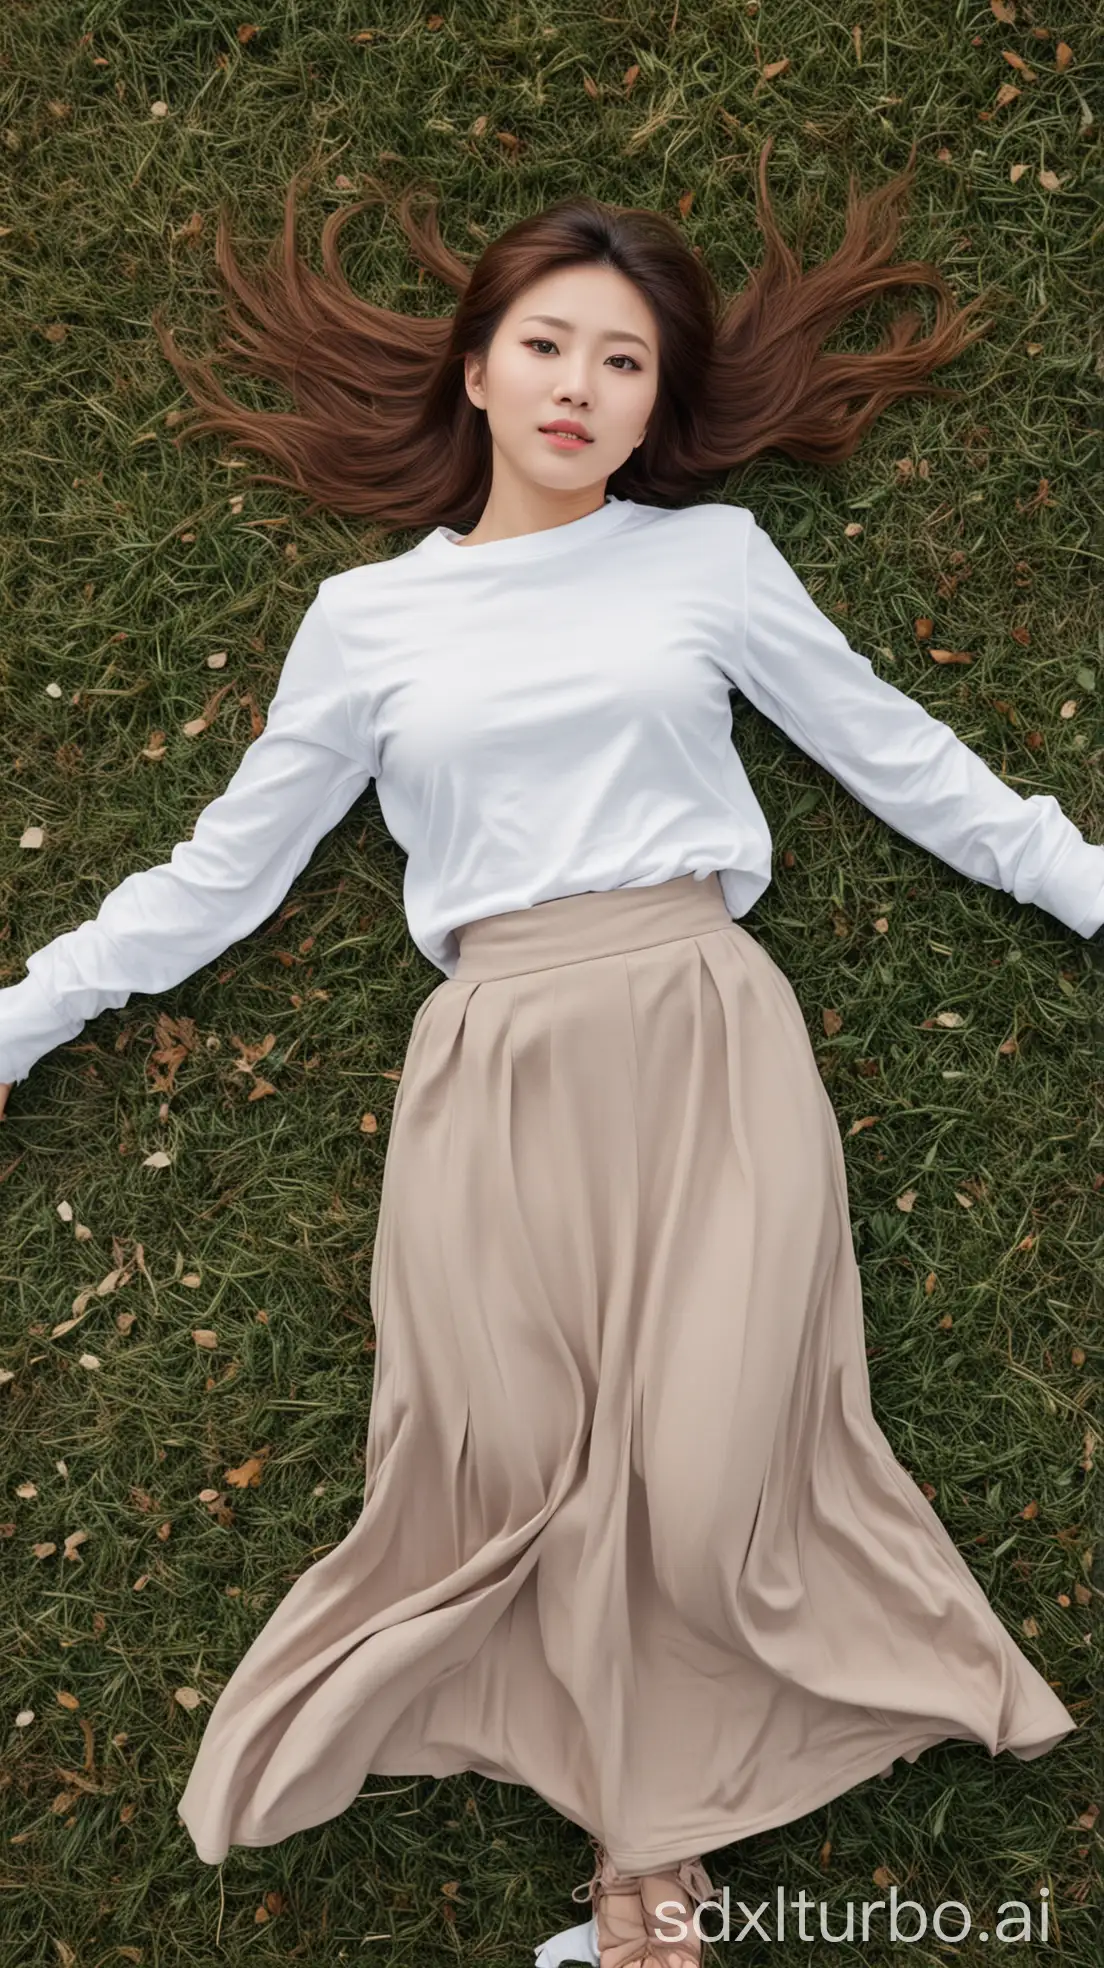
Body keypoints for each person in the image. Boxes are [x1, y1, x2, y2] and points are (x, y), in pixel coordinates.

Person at [1, 144, 1101, 1968]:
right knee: (499, 1468)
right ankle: (637, 1874)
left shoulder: (712, 563)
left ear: (656, 403)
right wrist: (24, 1018)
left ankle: (640, 1892)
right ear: (479, 366)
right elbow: (221, 872)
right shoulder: (371, 622)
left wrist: (1081, 885)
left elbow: (908, 762)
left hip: (699, 1037)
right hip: (494, 1068)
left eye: (623, 362)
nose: (581, 388)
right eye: (549, 345)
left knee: (707, 1469)